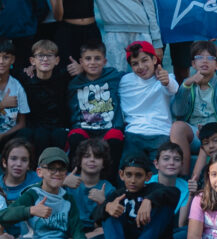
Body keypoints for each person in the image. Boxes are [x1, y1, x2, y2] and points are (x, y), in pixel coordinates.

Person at [0, 147, 88, 239]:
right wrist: (31, 210)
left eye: (61, 169)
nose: (57, 173)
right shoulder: (32, 194)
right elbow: (3, 216)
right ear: (40, 172)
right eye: (52, 168)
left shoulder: (68, 198)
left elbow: (77, 229)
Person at [103, 152, 181, 239]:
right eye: (129, 175)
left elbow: (174, 193)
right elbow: (95, 216)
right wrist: (107, 207)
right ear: (121, 175)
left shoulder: (154, 189)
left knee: (165, 206)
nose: (133, 180)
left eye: (138, 175)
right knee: (110, 208)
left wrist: (149, 200)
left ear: (148, 176)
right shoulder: (117, 194)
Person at [67, 40, 126, 168]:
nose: (93, 62)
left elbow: (136, 77)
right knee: (75, 137)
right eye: (88, 59)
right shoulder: (74, 83)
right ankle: (76, 176)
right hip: (84, 128)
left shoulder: (114, 76)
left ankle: (111, 180)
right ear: (81, 62)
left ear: (104, 61)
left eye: (97, 59)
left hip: (109, 128)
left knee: (115, 139)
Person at [170, 41, 217, 157]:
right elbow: (177, 112)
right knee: (177, 127)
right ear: (193, 63)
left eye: (210, 58)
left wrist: (211, 129)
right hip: (194, 133)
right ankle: (183, 174)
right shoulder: (187, 84)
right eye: (199, 57)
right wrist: (186, 86)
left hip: (216, 133)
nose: (204, 61)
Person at [119, 41, 180, 162]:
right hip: (133, 133)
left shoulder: (166, 77)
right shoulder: (125, 81)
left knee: (158, 176)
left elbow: (173, 88)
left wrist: (165, 81)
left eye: (145, 60)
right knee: (129, 172)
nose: (140, 67)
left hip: (160, 133)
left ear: (154, 60)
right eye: (135, 63)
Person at [61, 138, 115, 239]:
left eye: (97, 157)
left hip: (93, 235)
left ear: (103, 163)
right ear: (79, 161)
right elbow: (41, 195)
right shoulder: (67, 179)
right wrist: (61, 184)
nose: (92, 160)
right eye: (86, 156)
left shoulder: (109, 188)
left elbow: (109, 223)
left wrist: (104, 204)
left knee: (105, 236)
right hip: (69, 230)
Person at [15, 38, 71, 152]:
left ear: (57, 60)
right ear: (32, 60)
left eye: (49, 55)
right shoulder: (25, 79)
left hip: (58, 125)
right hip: (36, 126)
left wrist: (80, 69)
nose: (45, 59)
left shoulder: (64, 77)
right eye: (40, 55)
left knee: (60, 135)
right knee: (40, 135)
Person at [189, 123, 217, 189]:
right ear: (203, 148)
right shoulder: (205, 171)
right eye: (206, 143)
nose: (211, 146)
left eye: (215, 141)